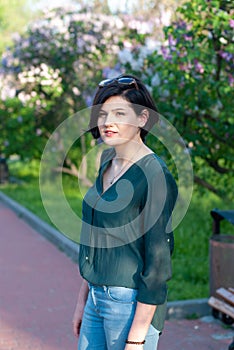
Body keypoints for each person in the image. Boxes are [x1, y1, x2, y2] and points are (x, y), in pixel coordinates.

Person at [72, 74, 178, 349]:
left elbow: (158, 264)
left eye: (120, 113)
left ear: (143, 119)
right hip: (95, 298)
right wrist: (83, 301)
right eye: (103, 114)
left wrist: (136, 339)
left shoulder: (155, 175)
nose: (108, 122)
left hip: (129, 304)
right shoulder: (108, 161)